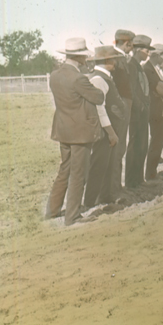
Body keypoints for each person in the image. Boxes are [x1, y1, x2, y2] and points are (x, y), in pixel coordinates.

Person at [44, 37, 105, 226]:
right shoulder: (78, 78)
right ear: (79, 58)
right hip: (80, 133)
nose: (86, 60)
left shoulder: (55, 75)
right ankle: (72, 216)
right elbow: (99, 97)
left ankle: (52, 211)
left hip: (63, 130)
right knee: (79, 174)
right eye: (84, 57)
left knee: (65, 170)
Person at [83, 45, 125, 208]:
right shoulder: (98, 79)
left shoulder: (105, 77)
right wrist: (111, 132)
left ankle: (105, 196)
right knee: (99, 164)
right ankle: (90, 201)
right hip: (105, 130)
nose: (115, 63)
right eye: (114, 59)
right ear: (108, 60)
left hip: (110, 128)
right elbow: (99, 109)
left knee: (108, 163)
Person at [109, 29, 135, 200]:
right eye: (130, 45)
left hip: (122, 106)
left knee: (120, 149)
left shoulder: (119, 59)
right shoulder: (116, 60)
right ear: (127, 43)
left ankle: (116, 186)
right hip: (119, 108)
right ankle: (113, 189)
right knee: (117, 150)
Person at [125, 34, 152, 188]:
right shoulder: (132, 65)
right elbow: (133, 91)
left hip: (142, 112)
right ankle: (131, 181)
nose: (148, 54)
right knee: (135, 146)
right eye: (146, 50)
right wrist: (141, 107)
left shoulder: (137, 66)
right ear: (137, 50)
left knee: (142, 145)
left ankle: (138, 179)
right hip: (136, 114)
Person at [144, 43, 163, 180]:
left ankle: (152, 171)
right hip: (155, 111)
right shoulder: (148, 69)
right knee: (156, 141)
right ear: (157, 55)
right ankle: (150, 173)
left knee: (159, 141)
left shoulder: (156, 68)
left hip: (159, 110)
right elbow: (161, 90)